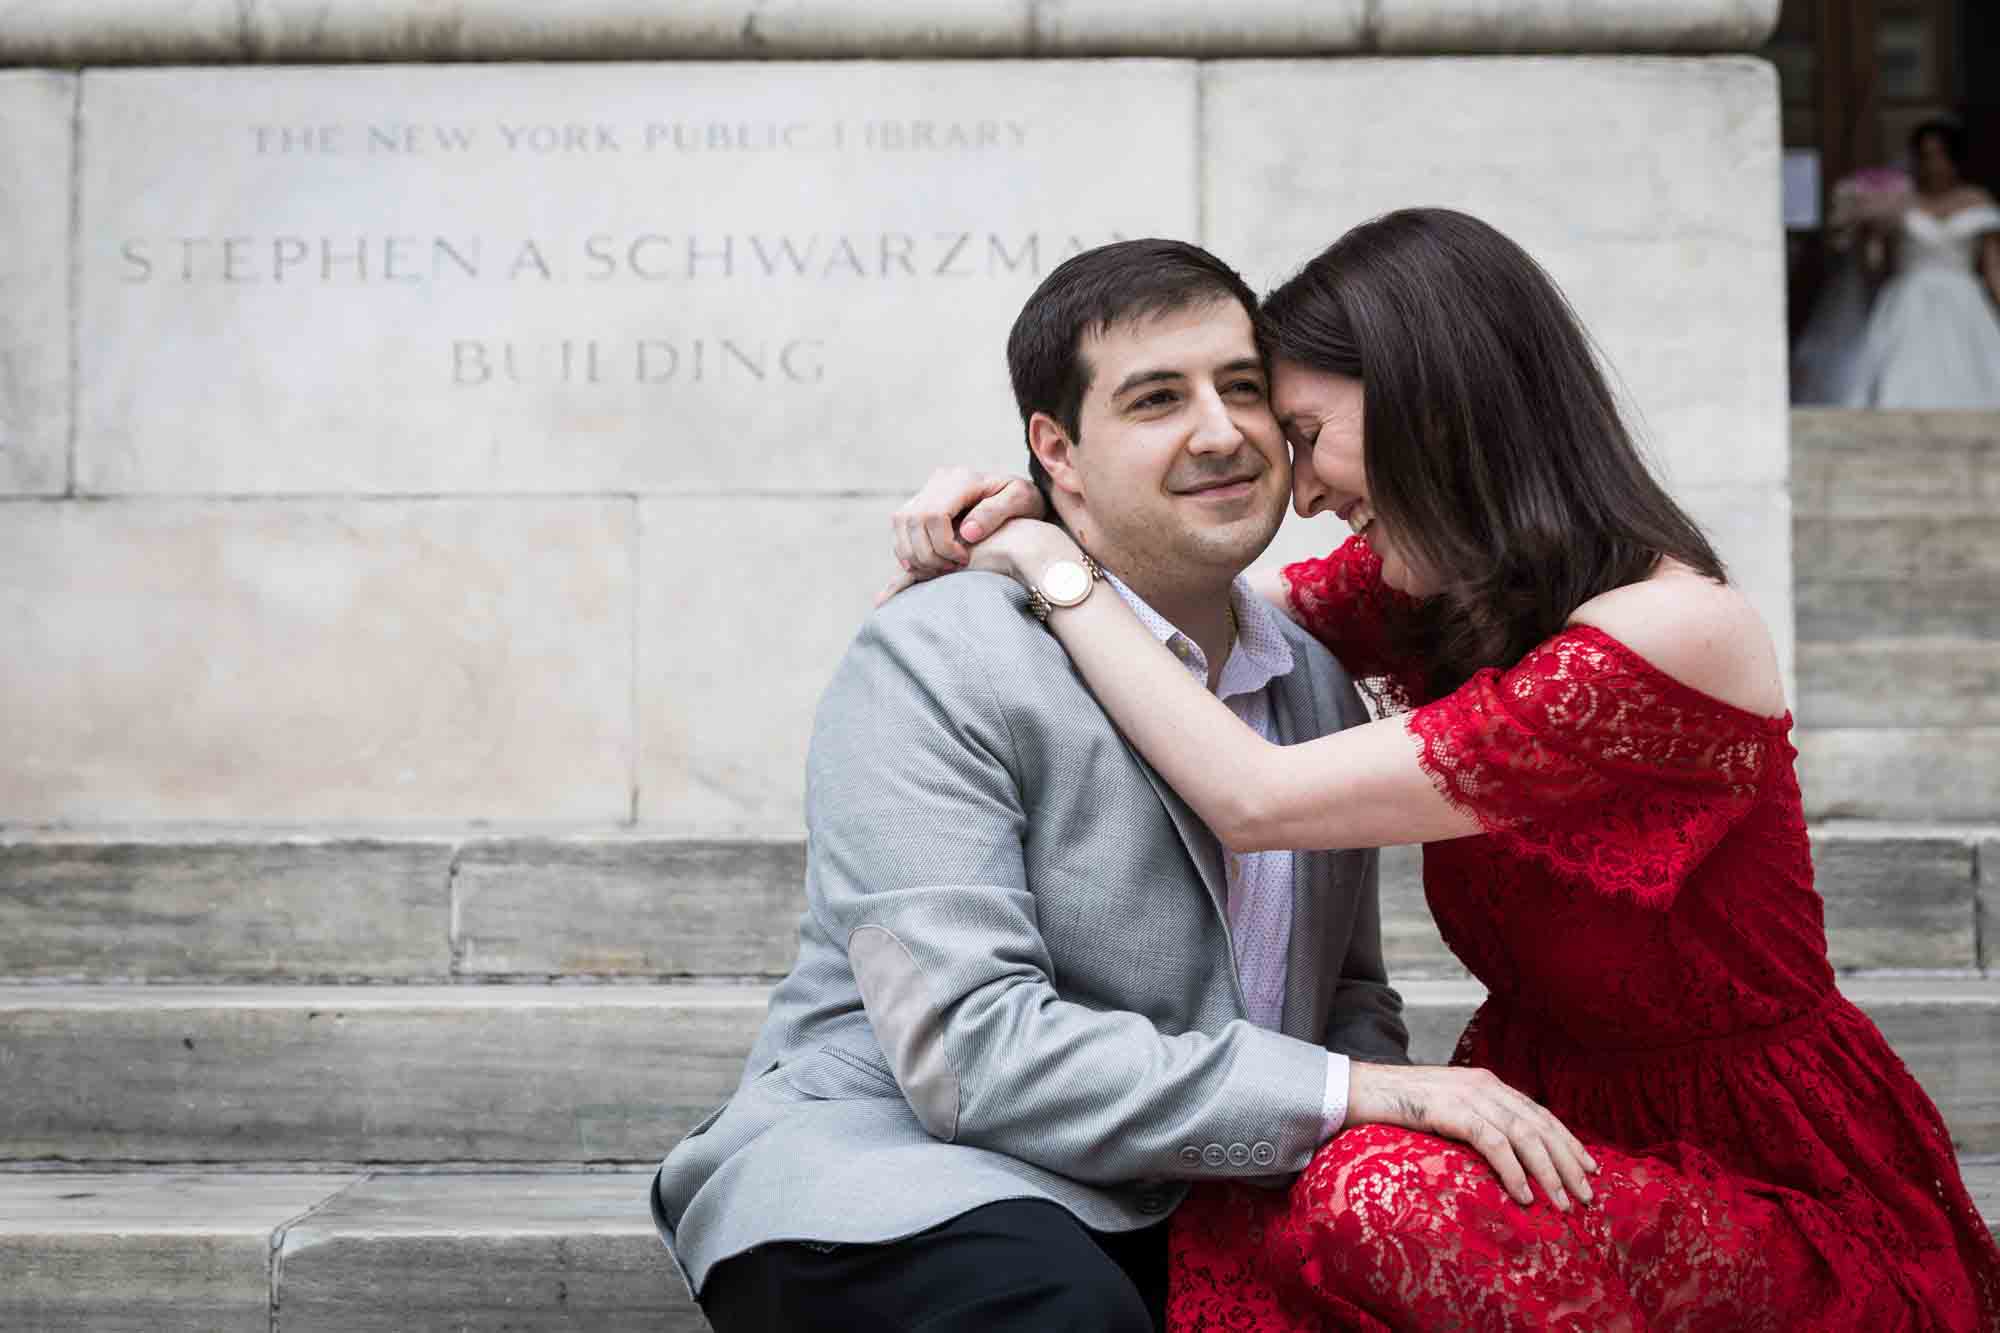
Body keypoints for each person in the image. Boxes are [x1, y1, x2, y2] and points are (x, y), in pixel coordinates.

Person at [890, 208, 2000, 1329]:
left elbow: (1251, 798)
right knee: (1260, 1190)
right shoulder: (1436, 593)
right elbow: (1179, 609)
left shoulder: (1671, 633)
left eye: (1304, 429)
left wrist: (1042, 561)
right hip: (1551, 1127)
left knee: (1363, 1197)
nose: (1302, 490)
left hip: (1765, 1172)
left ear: (1433, 403)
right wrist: (1047, 503)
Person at [653, 238, 1600, 1332]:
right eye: (1156, 399)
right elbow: (972, 1059)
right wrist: (1354, 1094)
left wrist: (1373, 1125)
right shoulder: (936, 653)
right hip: (912, 1177)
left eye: (1244, 390)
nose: (1219, 430)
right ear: (1055, 449)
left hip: (1204, 1192)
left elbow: (1347, 997)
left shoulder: (1316, 683)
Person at [1842, 117, 2000, 408]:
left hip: (1964, 301)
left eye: (1940, 155)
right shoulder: (1898, 201)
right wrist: (1870, 235)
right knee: (1901, 373)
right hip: (1908, 300)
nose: (1932, 165)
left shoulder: (1979, 201)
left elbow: (1993, 270)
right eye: (1925, 156)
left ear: (1955, 158)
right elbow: (1878, 266)